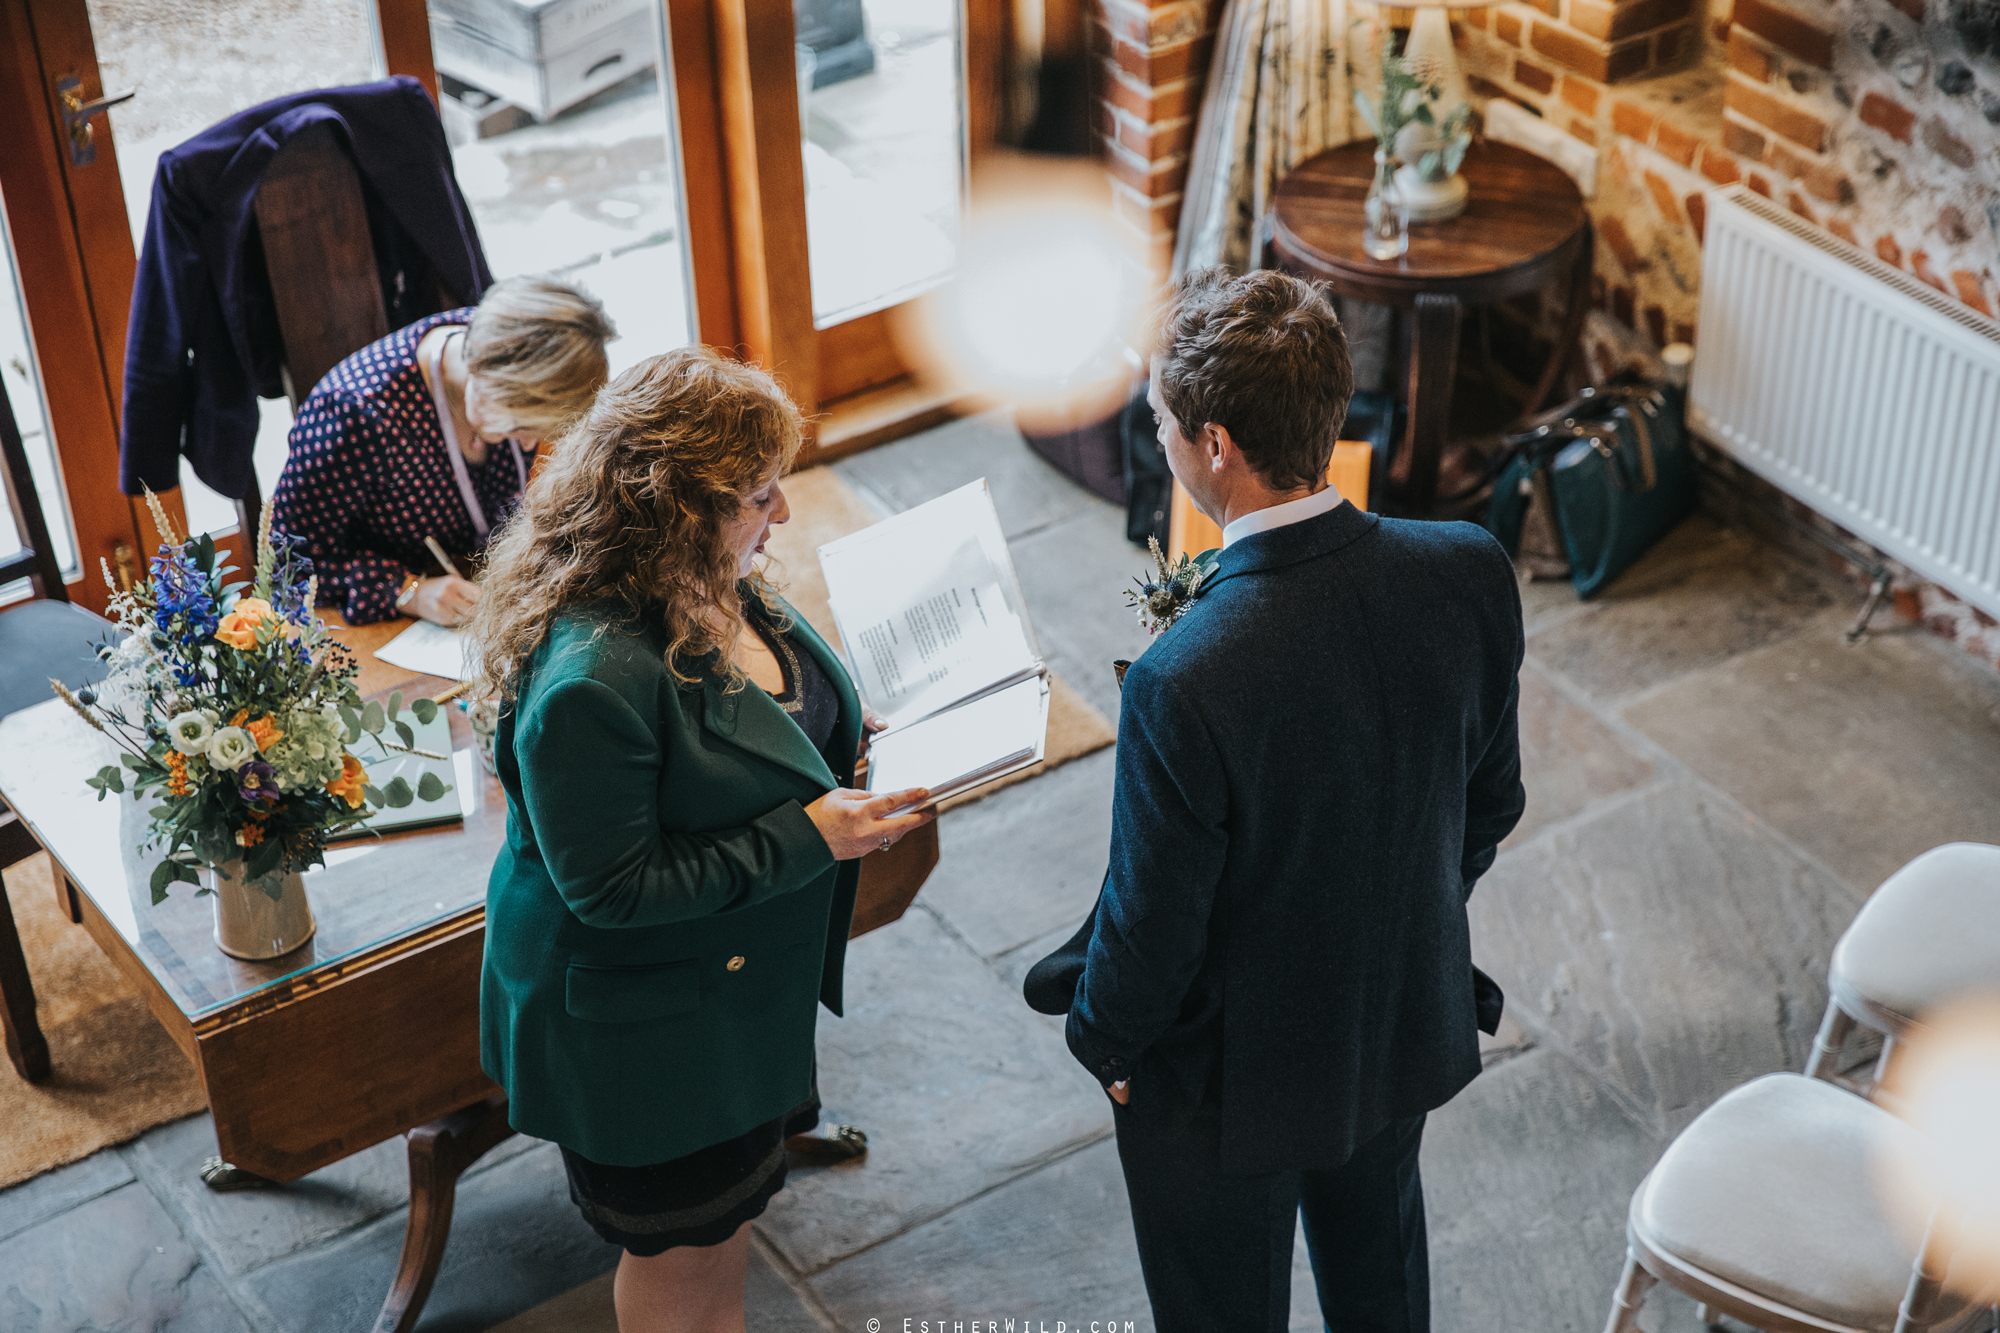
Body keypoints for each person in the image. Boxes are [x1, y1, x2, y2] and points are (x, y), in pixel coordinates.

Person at [1027, 268, 1525, 1333]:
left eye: (1159, 421)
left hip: (1225, 1083)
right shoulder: (1467, 568)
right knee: (1379, 1286)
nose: (1154, 440)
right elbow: (1487, 803)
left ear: (1215, 445)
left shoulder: (1186, 676)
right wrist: (1392, 918)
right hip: (1396, 1017)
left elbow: (1158, 919)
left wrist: (1109, 1047)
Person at [468, 347, 933, 1333]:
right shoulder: (590, 682)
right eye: (761, 494)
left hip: (726, 997)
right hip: (646, 1032)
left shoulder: (701, 569)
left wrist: (837, 745)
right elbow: (614, 888)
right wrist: (809, 834)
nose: (785, 512)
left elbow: (765, 711)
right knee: (684, 1267)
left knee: (723, 1244)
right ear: (679, 511)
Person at [270, 275, 614, 626]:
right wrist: (408, 591)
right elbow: (286, 563)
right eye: (520, 427)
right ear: (484, 378)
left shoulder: (506, 343)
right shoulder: (355, 415)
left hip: (485, 587)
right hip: (383, 622)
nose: (529, 445)